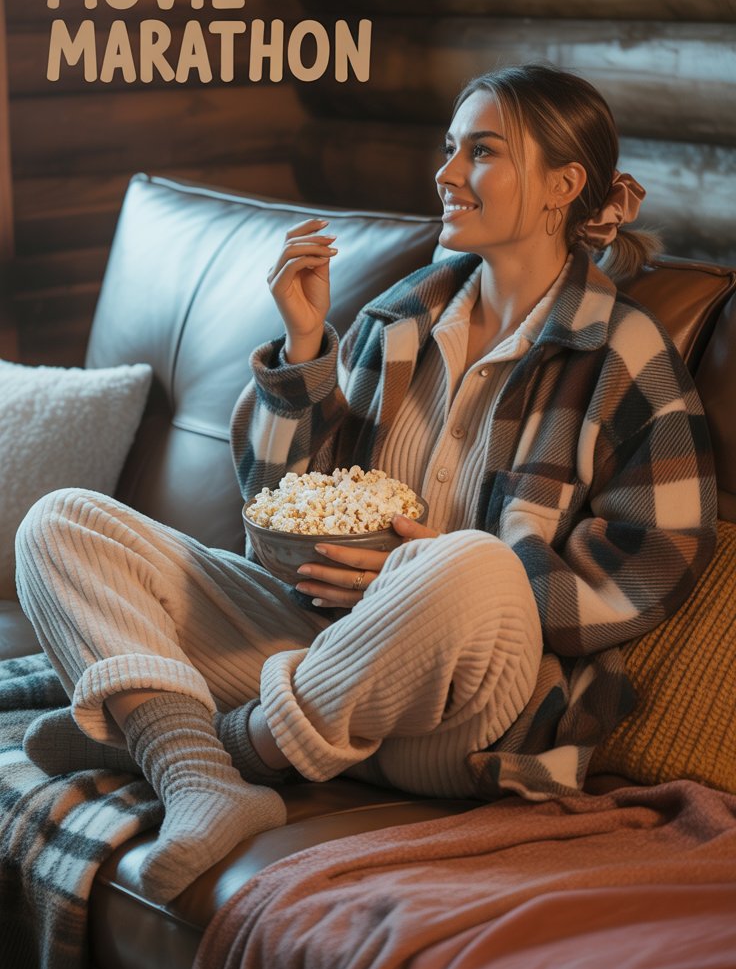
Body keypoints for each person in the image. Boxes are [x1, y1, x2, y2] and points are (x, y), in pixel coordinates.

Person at [15, 64, 717, 904]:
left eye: (481, 153)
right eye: (450, 149)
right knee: (61, 523)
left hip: (466, 707)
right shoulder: (398, 319)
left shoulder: (624, 355)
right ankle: (197, 770)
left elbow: (653, 565)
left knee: (471, 564)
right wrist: (306, 344)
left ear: (563, 185)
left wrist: (413, 575)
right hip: (318, 649)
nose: (447, 174)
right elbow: (276, 508)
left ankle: (205, 745)